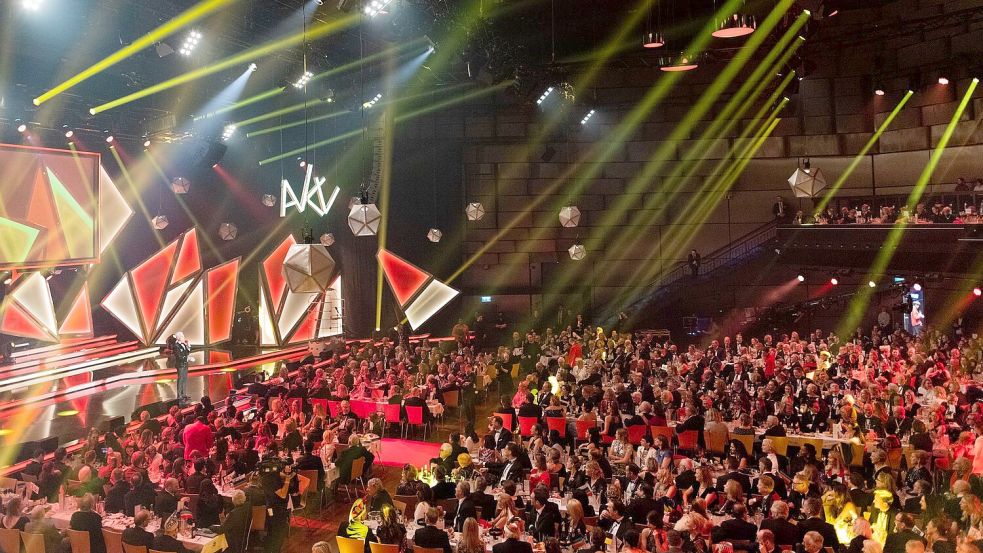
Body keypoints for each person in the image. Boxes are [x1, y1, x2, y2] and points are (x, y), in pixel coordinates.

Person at [173, 331, 191, 405]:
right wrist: (187, 359)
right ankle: (179, 395)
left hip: (185, 364)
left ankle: (184, 394)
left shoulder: (183, 344)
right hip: (180, 365)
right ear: (180, 338)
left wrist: (188, 345)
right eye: (183, 336)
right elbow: (179, 357)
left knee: (184, 379)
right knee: (180, 379)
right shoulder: (176, 346)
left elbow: (187, 353)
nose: (184, 337)